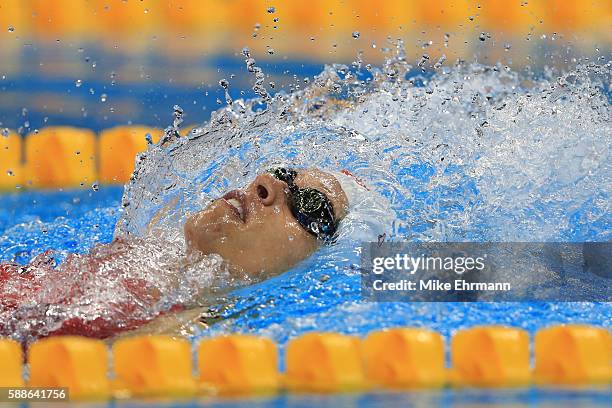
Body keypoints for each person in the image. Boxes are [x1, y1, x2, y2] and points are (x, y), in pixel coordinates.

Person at [0, 167, 352, 343]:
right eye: (282, 174)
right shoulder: (148, 262)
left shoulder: (173, 335)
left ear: (309, 268)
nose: (264, 183)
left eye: (309, 206)